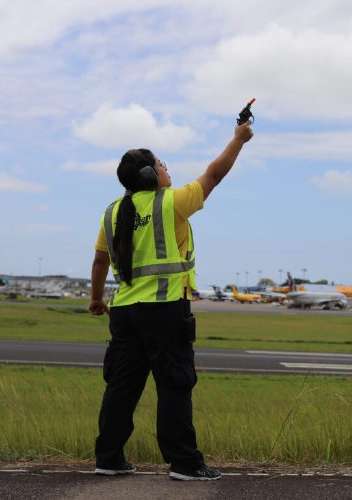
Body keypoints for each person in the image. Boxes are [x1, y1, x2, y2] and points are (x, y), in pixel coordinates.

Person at [88, 121, 253, 481]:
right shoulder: (172, 202)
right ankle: (184, 463)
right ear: (151, 174)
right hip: (164, 311)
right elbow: (214, 174)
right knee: (175, 385)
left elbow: (100, 260)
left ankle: (109, 457)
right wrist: (239, 140)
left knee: (121, 387)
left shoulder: (112, 212)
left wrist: (96, 299)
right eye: (162, 165)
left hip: (125, 312)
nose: (167, 170)